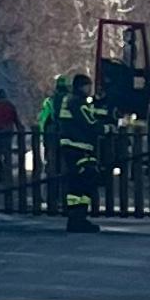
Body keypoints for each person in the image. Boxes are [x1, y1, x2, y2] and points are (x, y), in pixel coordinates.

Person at [59, 73, 102, 234]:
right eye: (87, 86)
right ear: (80, 87)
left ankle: (76, 218)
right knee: (85, 179)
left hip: (73, 147)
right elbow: (90, 123)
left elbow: (90, 114)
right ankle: (78, 218)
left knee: (79, 182)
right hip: (78, 147)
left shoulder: (71, 101)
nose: (89, 89)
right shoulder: (77, 102)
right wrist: (106, 128)